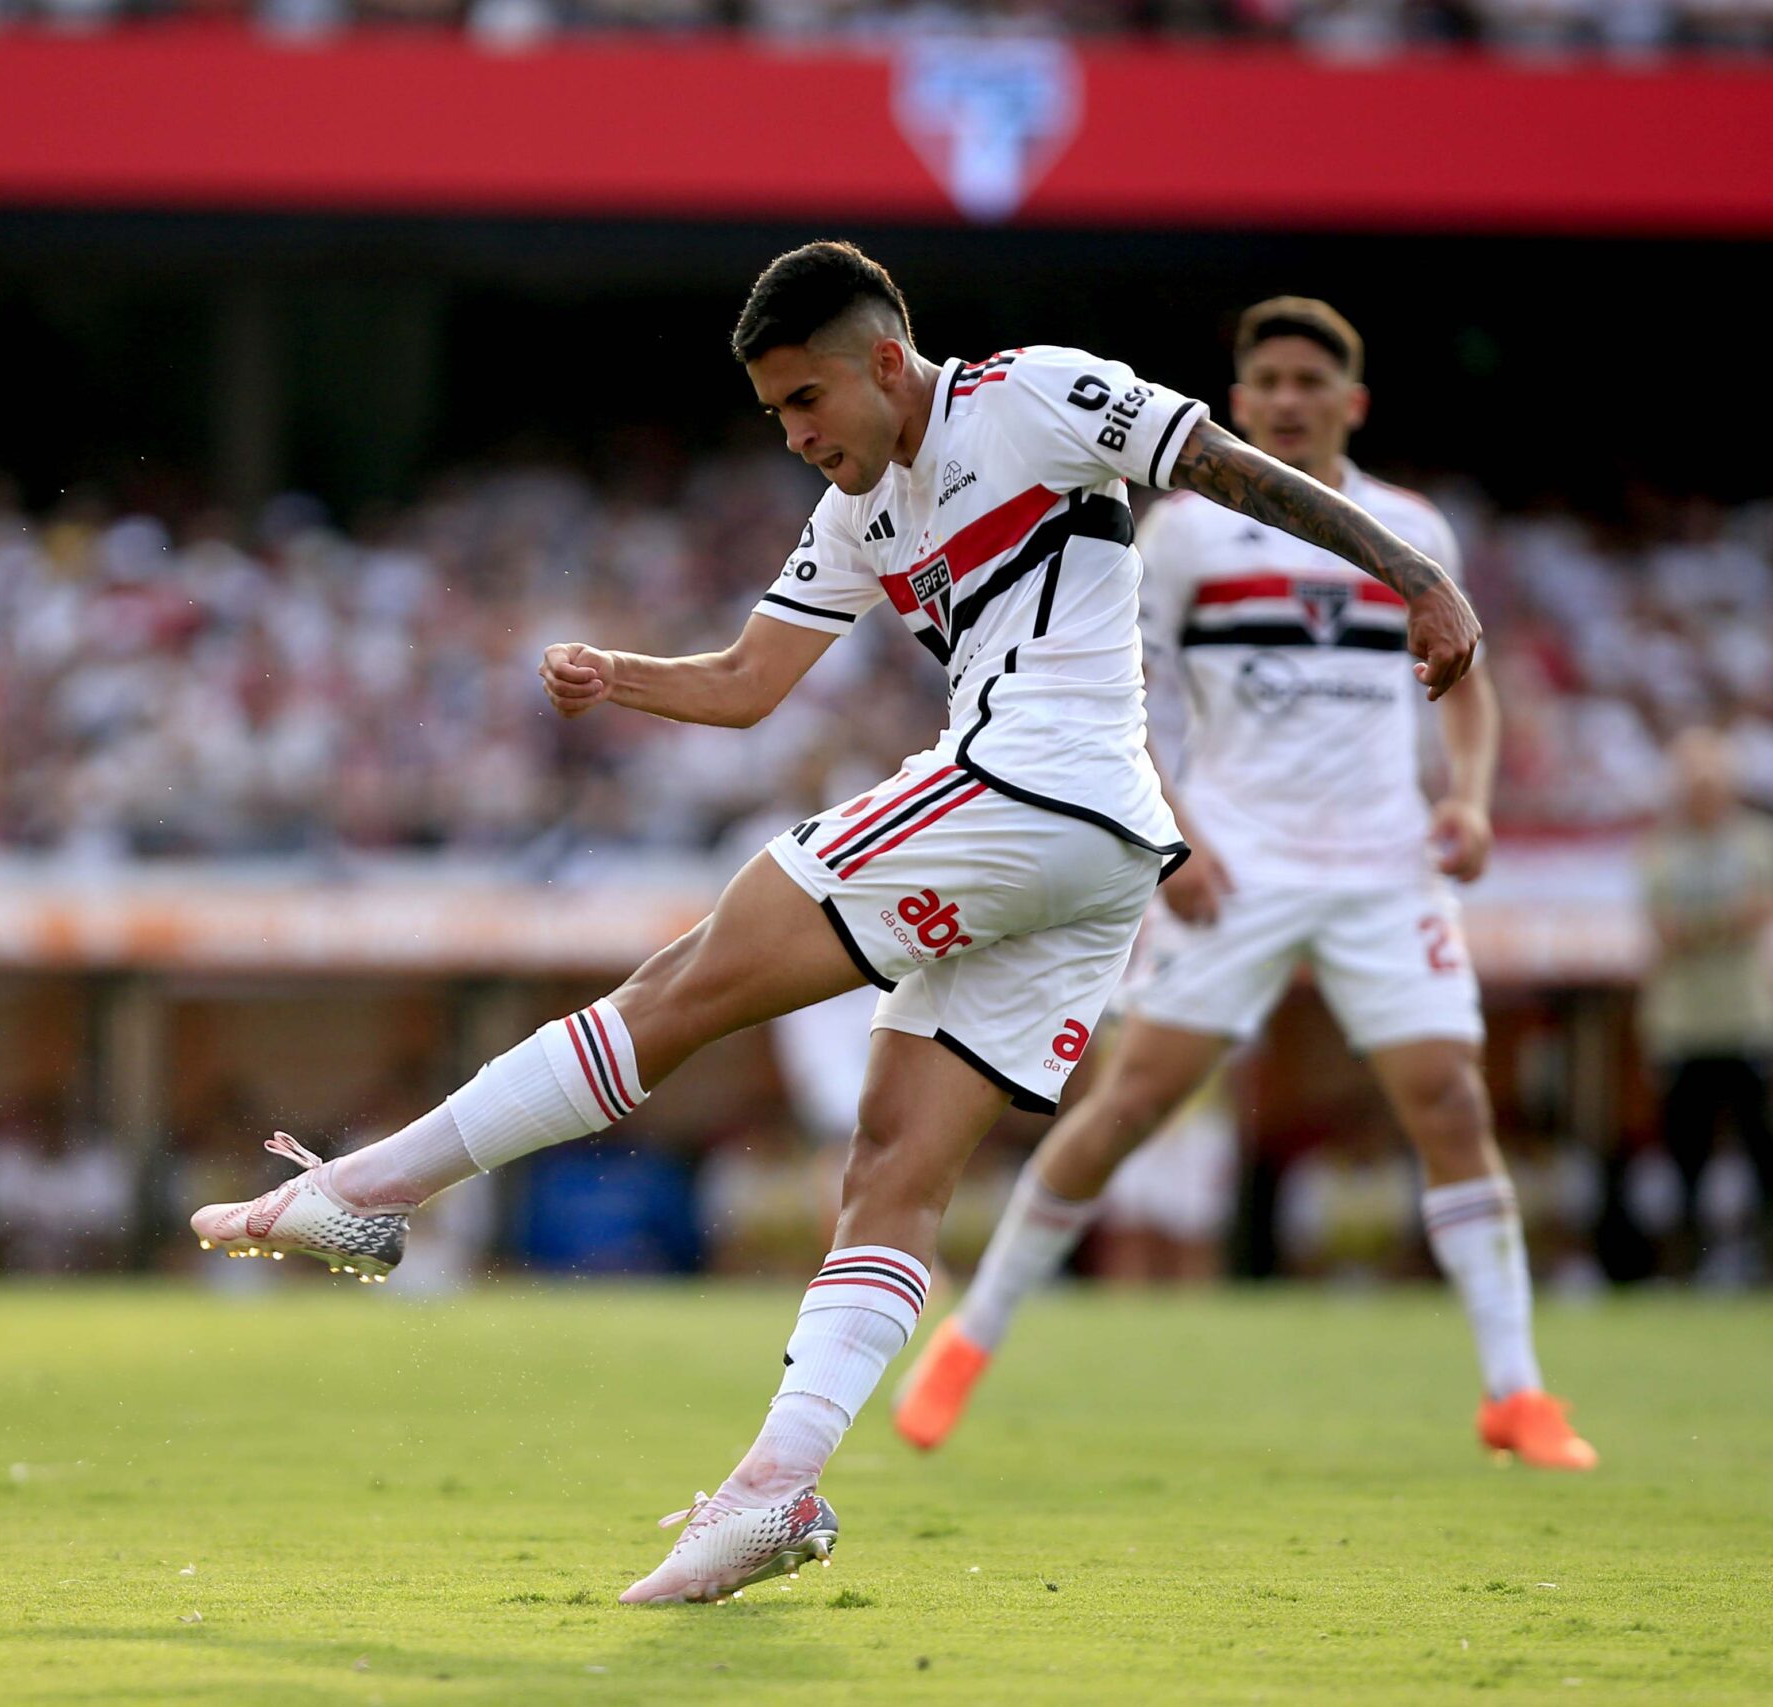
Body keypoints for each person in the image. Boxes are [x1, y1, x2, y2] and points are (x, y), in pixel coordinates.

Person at [188, 245, 1478, 1602]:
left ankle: (366, 1194)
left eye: (808, 400)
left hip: (1027, 785)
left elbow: (1224, 463)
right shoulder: (863, 512)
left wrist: (1417, 579)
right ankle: (772, 1491)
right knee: (891, 1169)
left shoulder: (1033, 393)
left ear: (883, 359)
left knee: (681, 984)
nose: (799, 436)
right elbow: (753, 683)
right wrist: (614, 673)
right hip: (1099, 858)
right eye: (774, 416)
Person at [895, 298, 1593, 1472]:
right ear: (1240, 395)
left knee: (1452, 1105)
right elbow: (1121, 690)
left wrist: (1467, 796)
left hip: (1383, 865)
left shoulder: (1412, 527)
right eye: (1261, 380)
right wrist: (1175, 837)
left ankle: (1514, 1392)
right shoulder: (1181, 536)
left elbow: (1465, 682)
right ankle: (970, 1336)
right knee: (1125, 1110)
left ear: (1349, 403)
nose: (1281, 399)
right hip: (1239, 862)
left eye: (1305, 382)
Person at [1637, 726, 1773, 1277]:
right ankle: (1687, 1264)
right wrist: (1723, 924)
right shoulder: (1660, 850)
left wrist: (1703, 929)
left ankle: (1762, 1260)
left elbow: (1756, 914)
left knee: (1761, 1147)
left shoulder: (1756, 841)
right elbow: (1666, 929)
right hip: (1681, 1023)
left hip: (1744, 1017)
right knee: (1684, 1153)